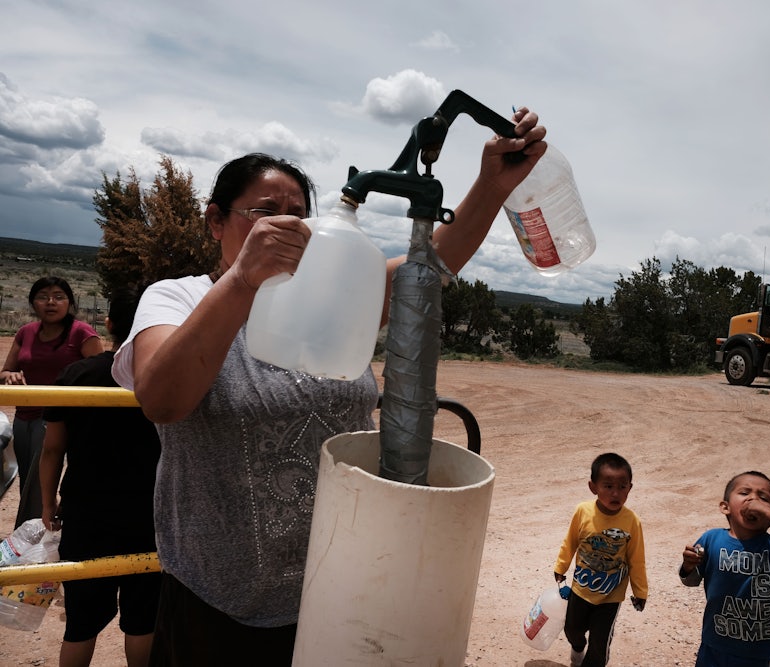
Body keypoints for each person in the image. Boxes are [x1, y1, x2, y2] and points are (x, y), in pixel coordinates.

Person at [110, 107, 546, 666]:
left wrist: (491, 184)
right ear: (216, 221)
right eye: (265, 213)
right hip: (221, 604)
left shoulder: (333, 300)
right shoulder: (178, 298)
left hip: (342, 588)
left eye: (298, 216)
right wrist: (244, 279)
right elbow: (164, 400)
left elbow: (431, 262)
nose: (286, 227)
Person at [39, 285, 161, 667]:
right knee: (143, 624)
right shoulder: (165, 379)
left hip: (86, 512)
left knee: (80, 626)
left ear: (108, 323)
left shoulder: (77, 374)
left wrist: (48, 504)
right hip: (150, 513)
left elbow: (52, 449)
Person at [679, 471, 770, 666]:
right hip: (714, 644)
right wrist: (687, 566)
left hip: (757, 652)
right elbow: (691, 581)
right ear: (725, 507)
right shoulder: (711, 539)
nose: (753, 499)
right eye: (745, 493)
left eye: (764, 498)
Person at [1, 276, 103, 524]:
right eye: (43, 297)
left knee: (39, 483)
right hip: (25, 418)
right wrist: (10, 375)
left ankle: (31, 535)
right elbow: (4, 372)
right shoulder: (25, 333)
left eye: (58, 297)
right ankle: (33, 535)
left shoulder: (81, 333)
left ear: (69, 302)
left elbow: (100, 372)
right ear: (32, 303)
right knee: (28, 479)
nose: (50, 302)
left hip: (63, 420)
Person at [554, 452, 648, 667]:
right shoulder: (582, 511)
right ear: (593, 487)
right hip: (581, 589)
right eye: (608, 486)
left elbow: (637, 559)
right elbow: (570, 541)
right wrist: (561, 565)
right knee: (572, 630)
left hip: (610, 597)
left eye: (622, 487)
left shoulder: (632, 521)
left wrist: (640, 591)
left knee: (599, 644)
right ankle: (577, 647)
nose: (616, 493)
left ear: (630, 488)